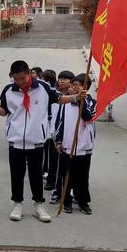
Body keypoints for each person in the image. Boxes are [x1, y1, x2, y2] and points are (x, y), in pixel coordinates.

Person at [0, 61, 86, 223]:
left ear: (29, 73)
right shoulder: (8, 90)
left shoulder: (42, 87)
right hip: (15, 141)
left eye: (22, 78)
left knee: (36, 174)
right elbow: (4, 111)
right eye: (16, 79)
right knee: (17, 174)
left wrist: (76, 97)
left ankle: (38, 205)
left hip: (36, 141)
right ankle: (18, 204)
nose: (20, 82)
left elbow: (59, 98)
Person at [55, 74, 96, 214]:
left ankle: (83, 201)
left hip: (84, 147)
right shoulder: (66, 103)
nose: (74, 88)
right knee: (67, 175)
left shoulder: (92, 102)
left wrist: (80, 101)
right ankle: (66, 200)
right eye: (73, 85)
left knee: (83, 176)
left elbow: (88, 116)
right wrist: (58, 141)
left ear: (86, 88)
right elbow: (59, 123)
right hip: (68, 145)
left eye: (78, 85)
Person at [50, 70, 75, 203]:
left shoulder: (75, 99)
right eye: (60, 78)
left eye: (66, 79)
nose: (62, 81)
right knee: (57, 166)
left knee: (69, 167)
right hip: (55, 135)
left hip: (69, 138)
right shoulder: (54, 95)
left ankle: (69, 191)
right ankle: (57, 190)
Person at [41, 70, 59, 190]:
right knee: (47, 152)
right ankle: (46, 172)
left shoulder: (53, 94)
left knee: (49, 153)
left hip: (50, 127)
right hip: (46, 126)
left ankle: (48, 173)